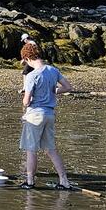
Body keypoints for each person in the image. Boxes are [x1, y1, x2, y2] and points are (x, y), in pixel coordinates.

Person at [18, 40, 74, 189]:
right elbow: (68, 87)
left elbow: (26, 101)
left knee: (31, 149)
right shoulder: (53, 70)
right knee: (51, 149)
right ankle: (64, 181)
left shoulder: (32, 75)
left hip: (35, 115)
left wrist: (26, 98)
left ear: (28, 58)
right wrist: (55, 91)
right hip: (49, 114)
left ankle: (30, 181)